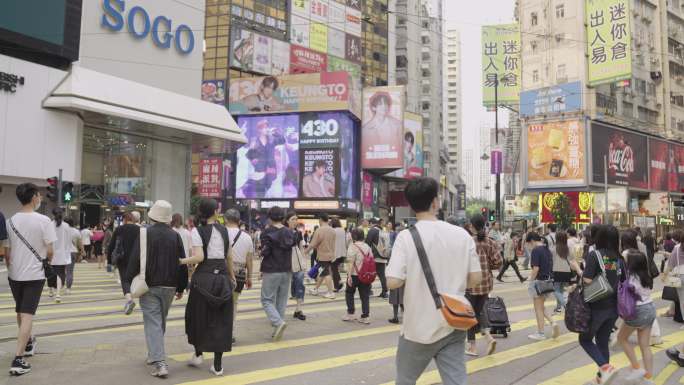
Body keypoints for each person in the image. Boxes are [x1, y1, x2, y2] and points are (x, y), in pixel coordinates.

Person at [386, 177, 482, 385]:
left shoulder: (406, 237)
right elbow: (475, 279)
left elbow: (393, 281)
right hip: (454, 320)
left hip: (418, 328)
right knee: (456, 381)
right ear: (436, 202)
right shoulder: (462, 235)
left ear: (411, 206)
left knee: (405, 380)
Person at [125, 200, 188, 378]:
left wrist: (128, 280)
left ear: (152, 216)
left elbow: (135, 259)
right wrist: (182, 286)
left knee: (153, 322)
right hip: (170, 285)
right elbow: (181, 262)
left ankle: (160, 363)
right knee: (160, 321)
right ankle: (154, 353)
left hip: (149, 285)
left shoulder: (144, 233)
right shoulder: (175, 236)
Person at [5, 183, 57, 375]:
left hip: (14, 274)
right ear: (34, 197)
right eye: (40, 195)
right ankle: (18, 360)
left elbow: (7, 253)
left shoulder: (10, 222)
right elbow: (50, 251)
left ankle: (27, 344)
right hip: (34, 274)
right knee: (28, 314)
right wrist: (47, 260)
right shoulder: (44, 221)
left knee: (20, 310)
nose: (41, 198)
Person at [181, 199, 235, 377]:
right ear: (214, 212)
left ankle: (198, 354)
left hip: (203, 279)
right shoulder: (224, 230)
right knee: (221, 320)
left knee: (198, 317)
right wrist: (232, 276)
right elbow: (229, 256)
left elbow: (199, 257)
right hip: (223, 279)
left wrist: (181, 261)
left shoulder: (197, 230)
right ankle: (218, 366)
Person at [579, 225, 620, 385]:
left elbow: (587, 280)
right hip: (614, 307)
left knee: (585, 340)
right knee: (602, 341)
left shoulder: (594, 255)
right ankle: (603, 377)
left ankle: (605, 367)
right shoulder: (618, 257)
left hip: (597, 307)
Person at [616, 250, 656, 383]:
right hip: (650, 308)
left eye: (624, 258)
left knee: (621, 338)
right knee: (645, 345)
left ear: (630, 263)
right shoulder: (646, 276)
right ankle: (649, 378)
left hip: (637, 311)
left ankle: (636, 367)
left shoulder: (629, 277)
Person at [465, 214, 502, 357]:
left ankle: (473, 346)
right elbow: (498, 262)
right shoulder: (490, 242)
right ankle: (488, 337)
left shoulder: (468, 242)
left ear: (472, 226)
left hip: (471, 284)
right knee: (479, 311)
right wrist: (488, 266)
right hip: (486, 283)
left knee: (470, 314)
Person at [260, 206, 296, 341]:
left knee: (266, 300)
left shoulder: (267, 232)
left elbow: (265, 251)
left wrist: (261, 250)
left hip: (271, 269)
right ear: (283, 217)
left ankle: (278, 323)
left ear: (270, 217)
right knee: (281, 300)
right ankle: (277, 330)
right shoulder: (289, 232)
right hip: (286, 270)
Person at [224, 208, 254, 339]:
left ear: (225, 219)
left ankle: (218, 331)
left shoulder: (220, 233)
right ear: (239, 221)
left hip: (222, 273)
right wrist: (249, 277)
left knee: (219, 303)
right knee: (233, 304)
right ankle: (230, 334)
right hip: (239, 275)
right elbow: (249, 260)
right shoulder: (247, 237)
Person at [526, 232, 561, 341]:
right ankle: (553, 322)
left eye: (528, 244)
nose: (528, 246)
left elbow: (535, 269)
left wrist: (530, 282)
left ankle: (541, 333)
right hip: (548, 282)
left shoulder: (536, 250)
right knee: (541, 306)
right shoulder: (547, 250)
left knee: (538, 309)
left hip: (539, 283)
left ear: (531, 241)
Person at [108, 212, 141, 315]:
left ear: (124, 220)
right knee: (134, 278)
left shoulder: (119, 230)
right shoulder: (139, 230)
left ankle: (129, 300)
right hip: (137, 259)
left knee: (125, 280)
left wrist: (110, 261)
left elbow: (111, 246)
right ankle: (135, 296)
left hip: (122, 259)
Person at [343, 227, 374, 324]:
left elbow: (350, 263)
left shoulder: (353, 246)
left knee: (349, 293)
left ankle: (351, 314)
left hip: (355, 275)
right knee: (365, 296)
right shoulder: (367, 247)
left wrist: (349, 276)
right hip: (366, 275)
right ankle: (365, 316)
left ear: (353, 236)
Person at [304, 214, 337, 299]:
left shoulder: (319, 230)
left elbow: (313, 243)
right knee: (322, 273)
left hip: (323, 255)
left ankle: (331, 292)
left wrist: (306, 251)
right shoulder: (333, 230)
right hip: (330, 255)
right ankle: (315, 289)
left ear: (321, 219)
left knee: (326, 274)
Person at [551, 231, 581, 313]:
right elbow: (572, 259)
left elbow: (551, 261)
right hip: (567, 272)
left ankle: (565, 305)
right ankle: (558, 307)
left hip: (557, 271)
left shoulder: (554, 248)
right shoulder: (568, 249)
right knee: (563, 290)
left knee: (556, 290)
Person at [286, 211, 307, 321]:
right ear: (287, 220)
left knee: (300, 284)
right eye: (293, 219)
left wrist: (304, 263)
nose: (295, 221)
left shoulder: (298, 234)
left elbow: (301, 248)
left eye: (296, 219)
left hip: (297, 262)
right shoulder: (282, 232)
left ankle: (298, 309)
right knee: (284, 287)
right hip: (284, 263)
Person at [48, 208, 71, 304]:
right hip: (62, 254)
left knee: (50, 273)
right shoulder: (66, 226)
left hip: (51, 253)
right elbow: (68, 242)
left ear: (53, 215)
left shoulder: (49, 225)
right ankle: (57, 293)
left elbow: (47, 240)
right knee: (60, 274)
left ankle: (51, 290)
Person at [366, 218, 390, 299]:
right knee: (382, 275)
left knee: (369, 273)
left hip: (374, 257)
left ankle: (369, 291)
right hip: (383, 256)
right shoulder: (382, 231)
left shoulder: (372, 231)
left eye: (369, 224)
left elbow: (367, 244)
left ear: (371, 223)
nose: (369, 226)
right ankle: (385, 292)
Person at [64, 218, 83, 294]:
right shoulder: (76, 231)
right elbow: (80, 243)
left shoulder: (62, 230)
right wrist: (82, 251)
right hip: (72, 252)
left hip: (62, 252)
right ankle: (68, 288)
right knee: (70, 271)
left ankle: (60, 285)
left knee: (60, 271)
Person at [331, 218, 347, 292]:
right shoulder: (343, 230)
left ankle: (337, 286)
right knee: (335, 269)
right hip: (342, 252)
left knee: (334, 269)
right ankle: (339, 283)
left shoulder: (333, 231)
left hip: (335, 253)